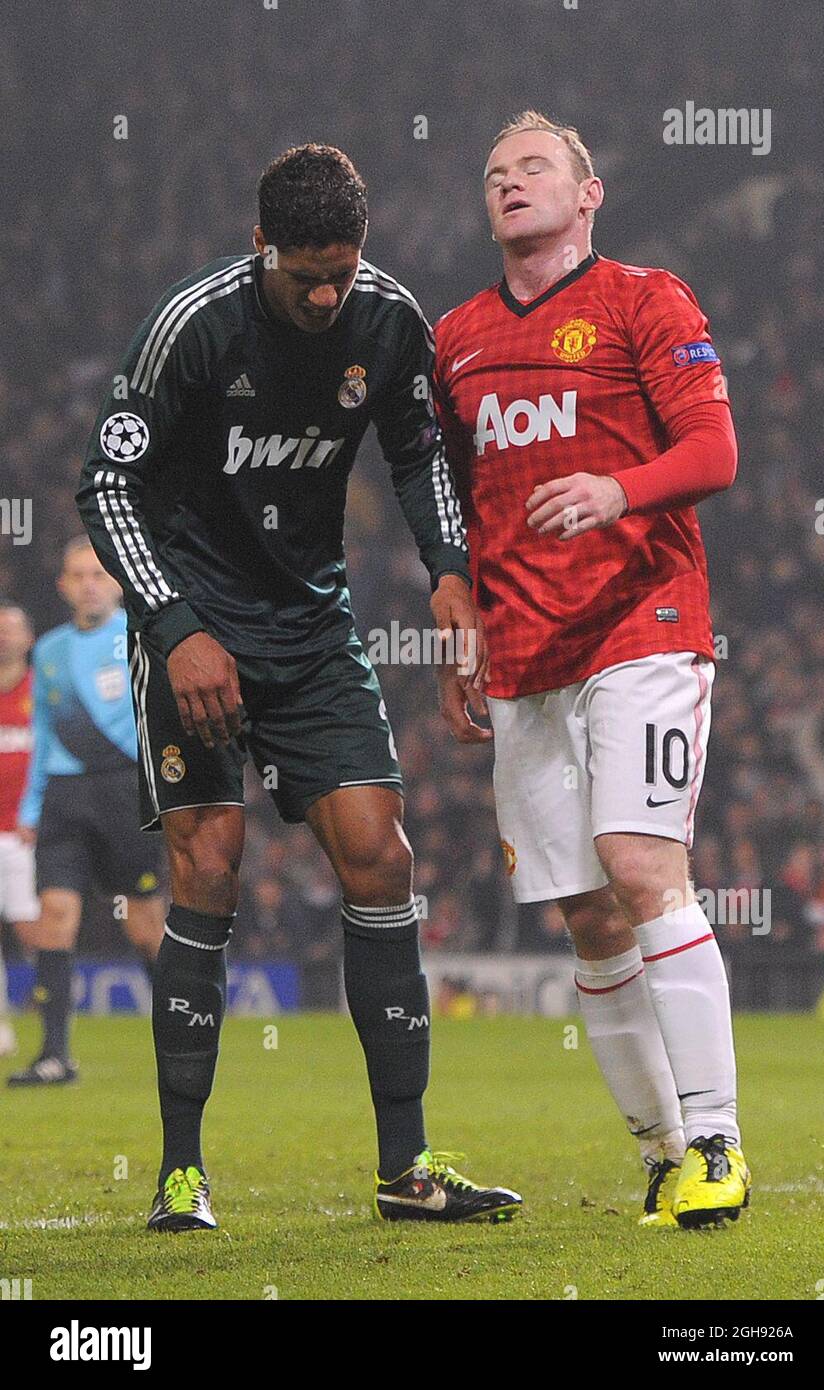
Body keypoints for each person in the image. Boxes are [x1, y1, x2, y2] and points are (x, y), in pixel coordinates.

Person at [76, 143, 521, 1231]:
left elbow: (418, 448)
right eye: (303, 274)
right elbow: (106, 483)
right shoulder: (195, 325)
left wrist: (450, 571)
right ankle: (183, 1170)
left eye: (343, 270)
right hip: (194, 622)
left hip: (313, 625)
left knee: (382, 853)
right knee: (209, 871)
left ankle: (405, 1166)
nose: (326, 295)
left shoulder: (385, 317)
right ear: (259, 245)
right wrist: (176, 627)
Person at [433, 111, 749, 1229]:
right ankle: (664, 1149)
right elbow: (455, 497)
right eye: (494, 172)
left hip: (642, 622)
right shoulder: (458, 337)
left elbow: (715, 451)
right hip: (522, 651)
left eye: (533, 168)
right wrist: (457, 600)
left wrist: (620, 490)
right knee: (584, 911)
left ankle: (718, 1137)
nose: (509, 184)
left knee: (638, 862)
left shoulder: (642, 300)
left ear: (590, 191)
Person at [8, 539, 165, 1086]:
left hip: (126, 792)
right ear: (63, 586)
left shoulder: (142, 637)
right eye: (77, 575)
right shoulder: (48, 650)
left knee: (146, 924)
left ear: (116, 582)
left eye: (97, 574)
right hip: (64, 796)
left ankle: (178, 1038)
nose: (88, 583)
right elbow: (44, 735)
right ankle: (54, 1055)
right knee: (54, 916)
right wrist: (30, 808)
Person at [0, 602, 40, 1057]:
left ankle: (47, 1002)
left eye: (13, 629)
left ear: (28, 639)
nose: (4, 636)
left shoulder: (41, 691)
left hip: (25, 833)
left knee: (33, 930)